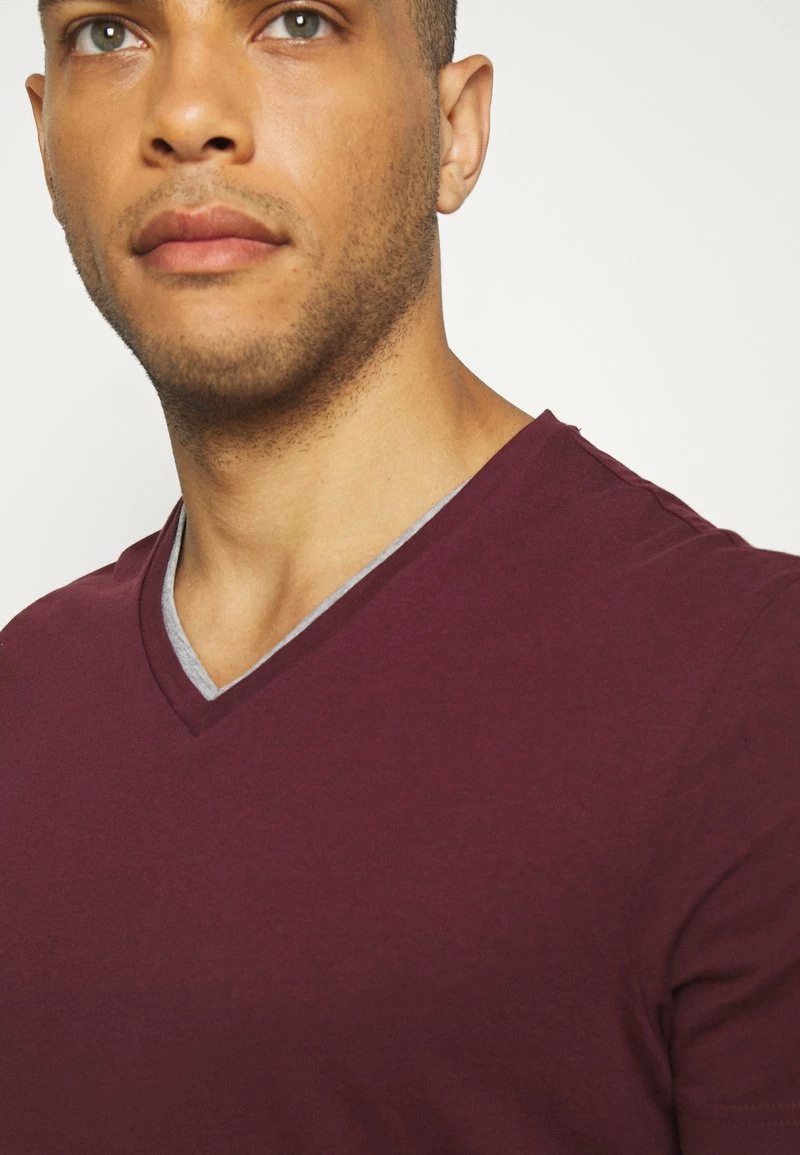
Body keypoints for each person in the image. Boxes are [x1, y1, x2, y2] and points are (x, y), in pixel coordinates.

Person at [2, 0, 798, 1151]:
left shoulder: (750, 690)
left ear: (453, 130)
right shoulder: (23, 692)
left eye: (297, 20)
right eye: (109, 35)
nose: (187, 113)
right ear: (43, 138)